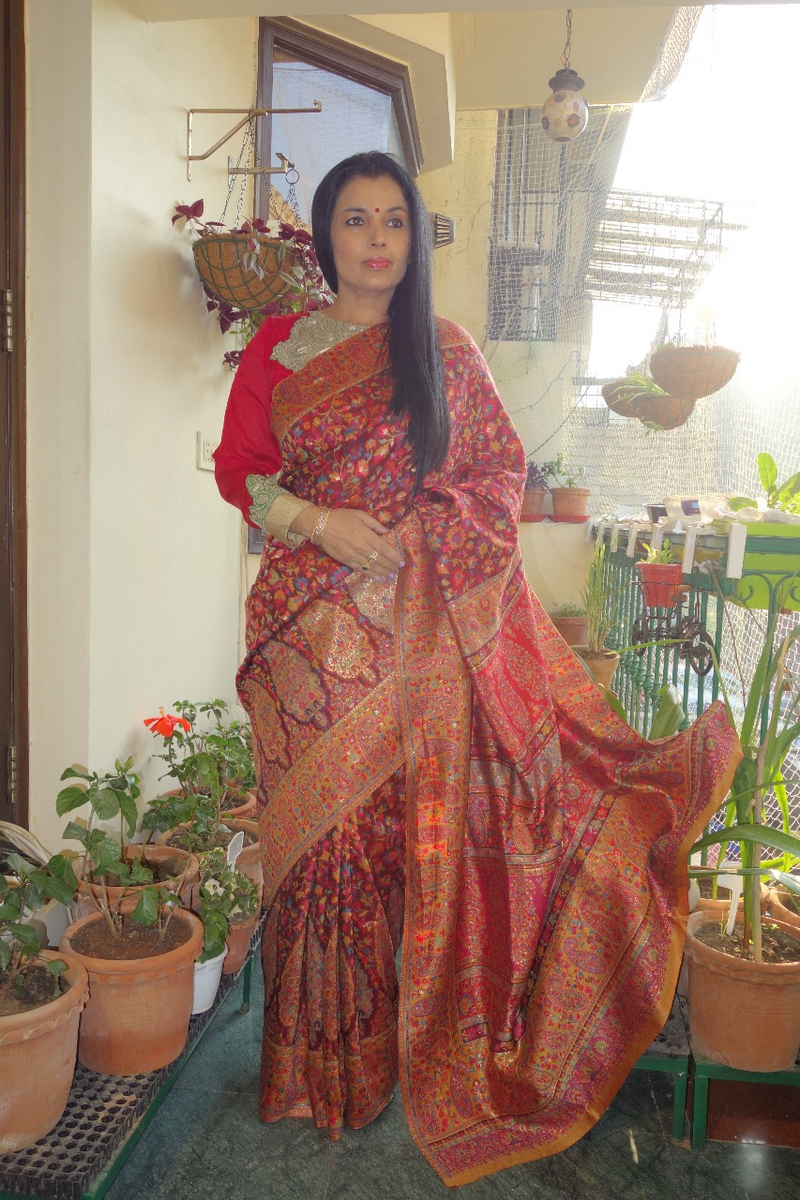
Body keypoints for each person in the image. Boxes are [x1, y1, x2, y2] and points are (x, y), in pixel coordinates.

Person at [214, 151, 740, 1187]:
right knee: (309, 855)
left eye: (393, 221)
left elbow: (499, 477)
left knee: (376, 854)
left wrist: (411, 535)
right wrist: (317, 519)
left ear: (412, 241)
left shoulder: (443, 352)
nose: (374, 238)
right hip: (300, 642)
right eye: (355, 219)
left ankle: (371, 1066)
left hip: (409, 646)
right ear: (325, 239)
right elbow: (241, 475)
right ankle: (303, 1069)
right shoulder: (276, 349)